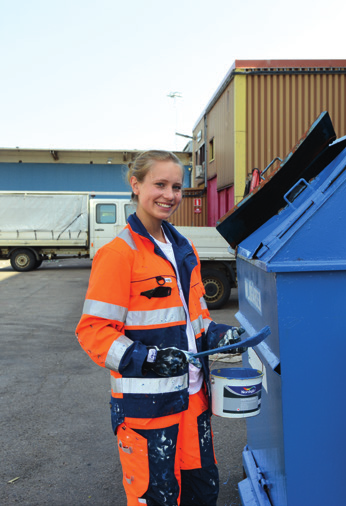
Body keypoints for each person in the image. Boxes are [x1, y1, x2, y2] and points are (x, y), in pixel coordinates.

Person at [75, 150, 245, 506]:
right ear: (135, 186)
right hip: (146, 410)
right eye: (160, 184)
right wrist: (148, 359)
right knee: (157, 497)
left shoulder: (184, 248)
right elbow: (93, 332)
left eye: (177, 187)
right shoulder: (119, 254)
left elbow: (194, 318)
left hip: (192, 401)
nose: (170, 195)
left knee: (202, 493)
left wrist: (218, 335)